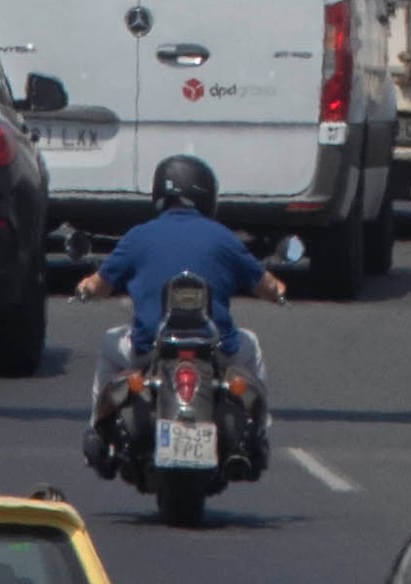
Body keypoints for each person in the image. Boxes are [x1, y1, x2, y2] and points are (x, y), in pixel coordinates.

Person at [80, 155, 281, 445]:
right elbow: (266, 286)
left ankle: (98, 430)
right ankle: (259, 430)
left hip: (148, 347)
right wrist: (279, 292)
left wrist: (84, 287)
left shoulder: (139, 236)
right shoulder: (223, 238)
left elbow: (100, 286)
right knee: (253, 347)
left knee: (109, 345)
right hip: (218, 349)